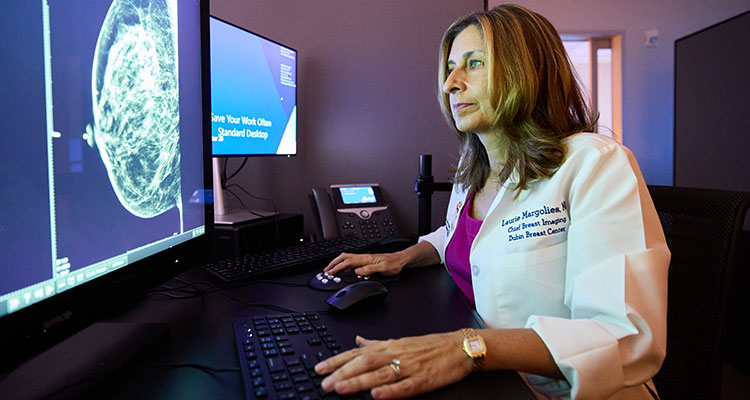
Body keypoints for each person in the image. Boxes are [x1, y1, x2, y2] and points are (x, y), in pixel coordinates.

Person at [314, 4, 670, 399]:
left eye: (474, 63)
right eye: (450, 67)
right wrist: (406, 255)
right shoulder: (473, 169)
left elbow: (625, 336)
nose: (451, 83)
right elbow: (467, 236)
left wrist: (464, 348)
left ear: (526, 70)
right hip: (496, 380)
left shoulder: (595, 164)